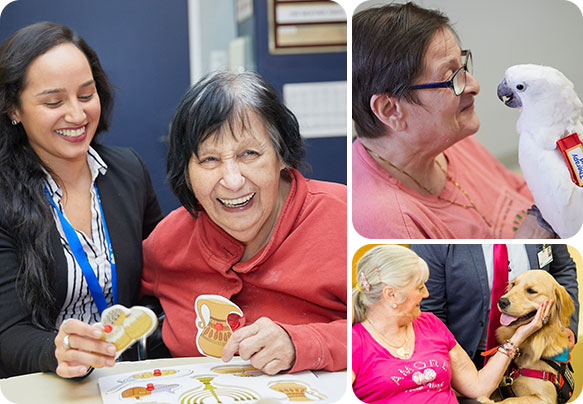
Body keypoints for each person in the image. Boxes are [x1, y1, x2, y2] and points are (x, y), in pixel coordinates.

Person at [141, 71, 347, 375]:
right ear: (185, 172)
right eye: (209, 159)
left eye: (249, 153)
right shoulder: (168, 241)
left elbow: (399, 327)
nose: (233, 181)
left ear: (282, 156)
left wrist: (304, 344)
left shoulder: (343, 218)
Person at [0, 22, 163, 378]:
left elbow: (162, 280)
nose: (76, 115)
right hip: (42, 385)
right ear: (13, 109)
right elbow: (7, 331)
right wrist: (59, 351)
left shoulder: (128, 171)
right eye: (54, 101)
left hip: (127, 382)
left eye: (86, 95)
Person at [352, 2, 551, 239]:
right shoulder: (383, 220)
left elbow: (522, 191)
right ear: (390, 109)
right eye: (451, 77)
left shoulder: (449, 137)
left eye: (463, 67)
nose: (474, 85)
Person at [352, 245, 552, 403]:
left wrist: (518, 336)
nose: (426, 294)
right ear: (391, 294)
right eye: (420, 287)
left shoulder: (430, 324)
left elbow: (478, 387)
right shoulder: (355, 341)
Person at [411, 244, 579, 368]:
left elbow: (563, 269)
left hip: (534, 353)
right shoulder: (433, 241)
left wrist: (567, 324)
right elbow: (429, 310)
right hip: (465, 357)